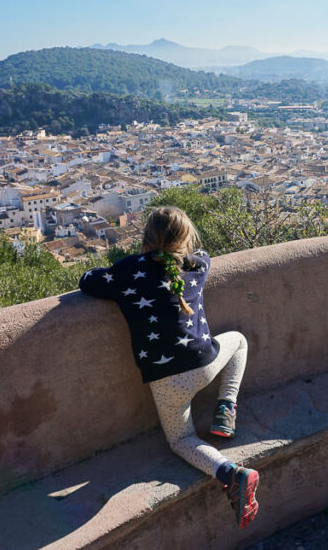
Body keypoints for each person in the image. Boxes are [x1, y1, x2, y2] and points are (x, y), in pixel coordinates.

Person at [78, 205, 259, 529]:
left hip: (165, 380)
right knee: (240, 341)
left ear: (146, 239)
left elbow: (88, 281)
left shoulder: (127, 271)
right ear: (186, 238)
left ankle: (232, 474)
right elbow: (198, 254)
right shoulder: (198, 263)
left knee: (180, 441)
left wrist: (126, 265)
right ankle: (226, 408)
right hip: (205, 363)